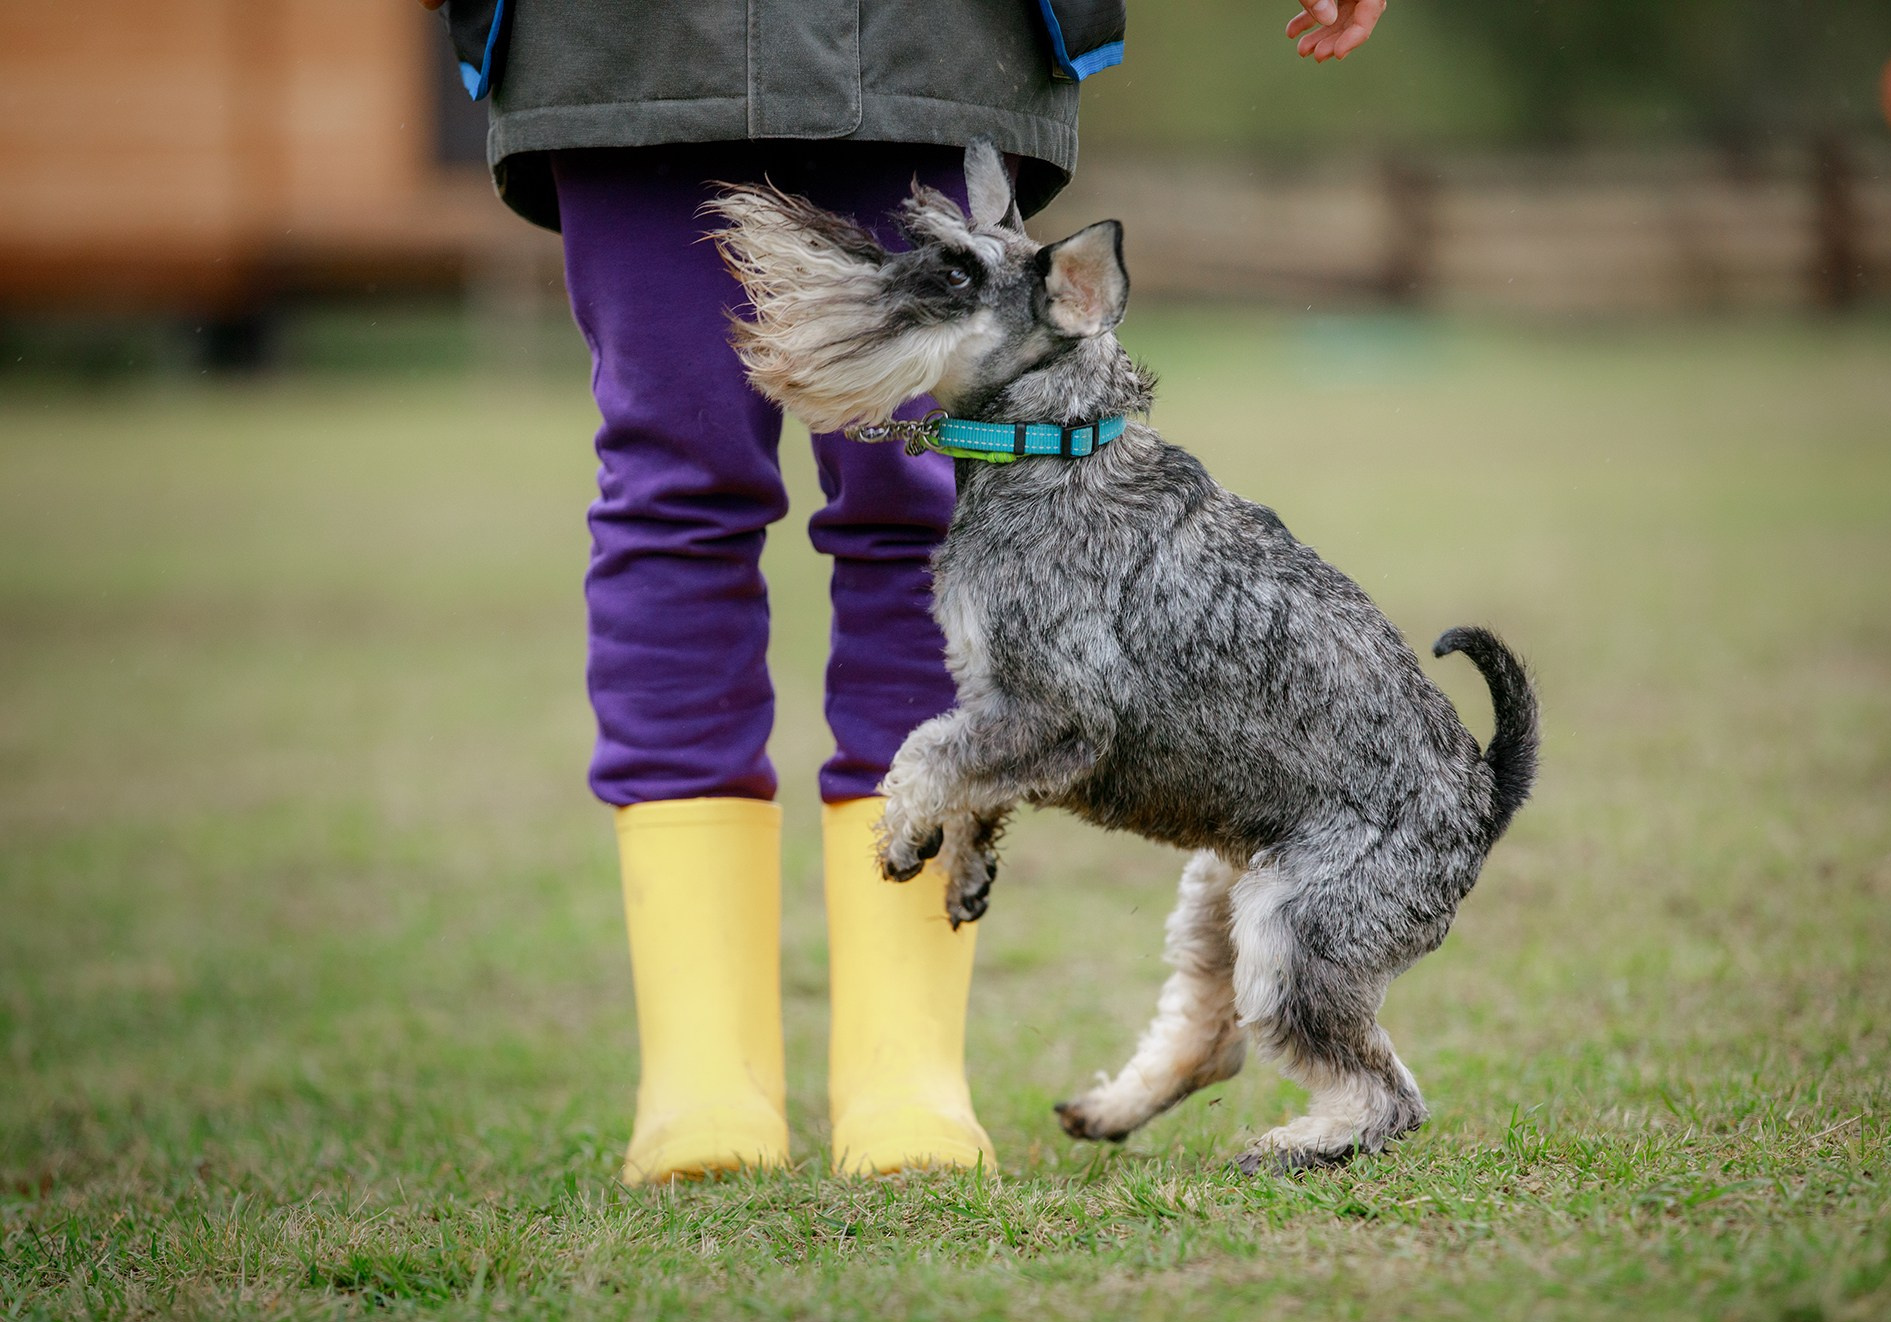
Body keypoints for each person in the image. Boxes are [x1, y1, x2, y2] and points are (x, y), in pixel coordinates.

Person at [422, 0, 1385, 1182]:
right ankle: (700, 1074)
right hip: (621, 46)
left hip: (928, 40)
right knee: (673, 498)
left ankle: (902, 1069)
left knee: (917, 507)